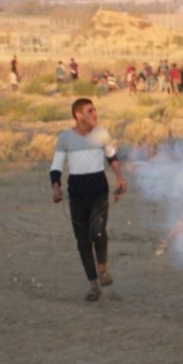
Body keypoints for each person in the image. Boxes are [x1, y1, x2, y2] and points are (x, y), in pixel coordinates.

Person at [49, 99, 127, 302]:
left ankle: (103, 270)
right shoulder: (65, 137)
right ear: (78, 115)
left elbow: (112, 158)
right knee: (83, 241)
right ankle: (93, 286)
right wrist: (56, 188)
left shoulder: (102, 134)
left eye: (95, 110)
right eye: (90, 111)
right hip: (77, 192)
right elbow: (56, 167)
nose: (95, 114)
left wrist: (120, 179)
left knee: (98, 232)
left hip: (99, 189)